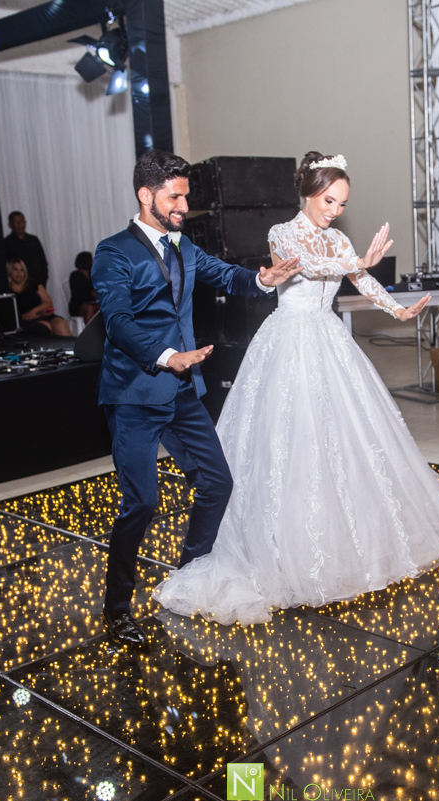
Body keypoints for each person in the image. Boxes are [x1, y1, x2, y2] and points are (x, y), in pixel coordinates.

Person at [152, 151, 439, 626]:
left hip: (329, 340)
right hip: (290, 341)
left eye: (341, 203)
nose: (334, 210)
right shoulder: (282, 233)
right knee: (289, 440)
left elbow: (357, 277)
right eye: (329, 200)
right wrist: (354, 259)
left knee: (344, 439)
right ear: (309, 192)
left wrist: (397, 310)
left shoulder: (339, 238)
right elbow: (308, 268)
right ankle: (282, 546)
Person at [91, 150, 303, 644]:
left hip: (183, 391)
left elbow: (225, 274)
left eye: (186, 195)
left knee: (218, 484)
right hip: (134, 395)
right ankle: (116, 608)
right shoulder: (113, 252)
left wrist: (261, 278)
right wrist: (167, 356)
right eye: (174, 196)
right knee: (141, 504)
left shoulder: (184, 246)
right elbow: (118, 325)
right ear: (146, 196)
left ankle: (189, 572)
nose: (184, 204)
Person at [7, 258, 71, 336]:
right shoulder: (7, 290)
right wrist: (29, 316)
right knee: (44, 327)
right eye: (15, 270)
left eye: (22, 270)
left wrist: (34, 312)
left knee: (60, 324)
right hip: (24, 320)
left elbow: (48, 302)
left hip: (41, 315)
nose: (19, 273)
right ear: (10, 271)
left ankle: (72, 347)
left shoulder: (34, 284)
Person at [4, 211, 49, 290]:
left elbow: (43, 262)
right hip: (19, 285)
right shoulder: (7, 243)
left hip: (37, 283)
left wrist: (43, 280)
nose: (19, 224)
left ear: (25, 222)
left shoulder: (33, 240)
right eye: (16, 222)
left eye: (21, 221)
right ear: (10, 225)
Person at [68, 250, 99, 323]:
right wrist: (92, 294)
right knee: (89, 308)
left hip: (92, 303)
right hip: (78, 306)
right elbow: (79, 294)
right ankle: (90, 333)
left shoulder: (91, 275)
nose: (93, 262)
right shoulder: (75, 275)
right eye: (91, 260)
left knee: (104, 307)